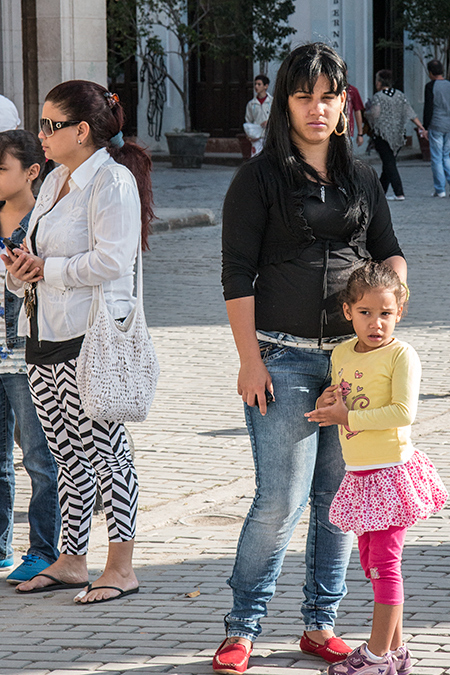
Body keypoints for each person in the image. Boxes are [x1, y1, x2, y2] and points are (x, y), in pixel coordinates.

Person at [214, 42, 407, 674]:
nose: (317, 108)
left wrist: (388, 310)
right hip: (284, 358)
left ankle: (320, 624)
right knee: (281, 497)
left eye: (328, 96)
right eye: (304, 96)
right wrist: (250, 360)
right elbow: (237, 276)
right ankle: (242, 626)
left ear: (342, 103)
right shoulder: (257, 179)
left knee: (339, 500)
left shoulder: (361, 178)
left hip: (353, 366)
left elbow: (389, 252)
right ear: (285, 104)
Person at [2, 80, 153, 603]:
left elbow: (114, 260)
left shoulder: (111, 183)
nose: (40, 134)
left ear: (81, 130)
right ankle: (72, 559)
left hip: (92, 337)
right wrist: (22, 270)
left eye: (50, 125)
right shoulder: (54, 182)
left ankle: (121, 565)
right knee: (66, 454)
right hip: (43, 333)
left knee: (107, 453)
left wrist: (49, 268)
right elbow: (34, 249)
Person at [305, 261, 447, 675]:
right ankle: (397, 654)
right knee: (370, 561)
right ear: (348, 311)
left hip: (390, 474)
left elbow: (403, 411)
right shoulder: (342, 352)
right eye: (366, 312)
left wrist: (347, 418)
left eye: (386, 313)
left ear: (399, 312)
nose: (376, 323)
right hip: (360, 473)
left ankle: (376, 656)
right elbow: (344, 395)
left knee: (385, 566)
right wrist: (329, 403)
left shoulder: (402, 354)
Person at [0, 130, 61, 583]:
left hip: (27, 355)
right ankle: (2, 546)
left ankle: (44, 549)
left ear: (31, 171)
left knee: (39, 456)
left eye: (1, 169)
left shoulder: (46, 224)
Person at [364, 70, 426, 201]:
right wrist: (421, 126)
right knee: (389, 164)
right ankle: (380, 192)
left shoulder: (378, 97)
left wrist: (366, 114)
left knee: (389, 164)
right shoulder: (400, 95)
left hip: (382, 135)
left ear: (379, 82)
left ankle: (399, 193)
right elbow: (410, 113)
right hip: (398, 135)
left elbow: (374, 114)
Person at [423, 59, 450, 198]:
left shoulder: (430, 86)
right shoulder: (449, 85)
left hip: (436, 124)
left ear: (431, 73)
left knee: (437, 158)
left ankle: (440, 189)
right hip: (448, 124)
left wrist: (425, 127)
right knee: (447, 156)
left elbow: (428, 108)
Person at [244, 75, 273, 157]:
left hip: (270, 136)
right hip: (256, 137)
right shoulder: (251, 104)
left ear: (266, 86)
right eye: (255, 84)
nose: (256, 86)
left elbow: (279, 119)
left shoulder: (272, 102)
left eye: (259, 84)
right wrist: (249, 135)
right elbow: (248, 121)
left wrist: (269, 122)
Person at [345, 67, 364, 147]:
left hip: (348, 132)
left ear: (346, 72)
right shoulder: (331, 90)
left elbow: (357, 111)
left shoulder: (352, 91)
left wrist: (360, 134)